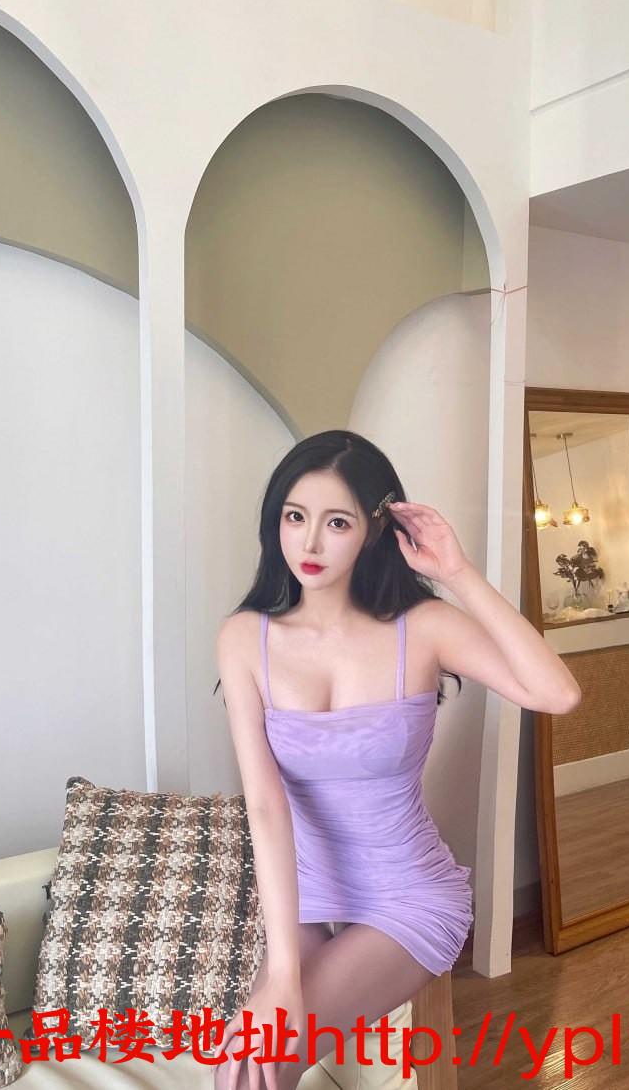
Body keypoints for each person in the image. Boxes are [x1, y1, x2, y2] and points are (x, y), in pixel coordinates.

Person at [212, 430, 581, 1090]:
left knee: (257, 1069)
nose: (310, 543)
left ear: (374, 530)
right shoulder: (245, 638)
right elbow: (265, 808)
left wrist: (458, 573)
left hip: (406, 895)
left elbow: (558, 694)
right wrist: (283, 977)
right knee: (245, 1069)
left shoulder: (423, 627)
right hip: (306, 892)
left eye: (337, 522)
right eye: (295, 517)